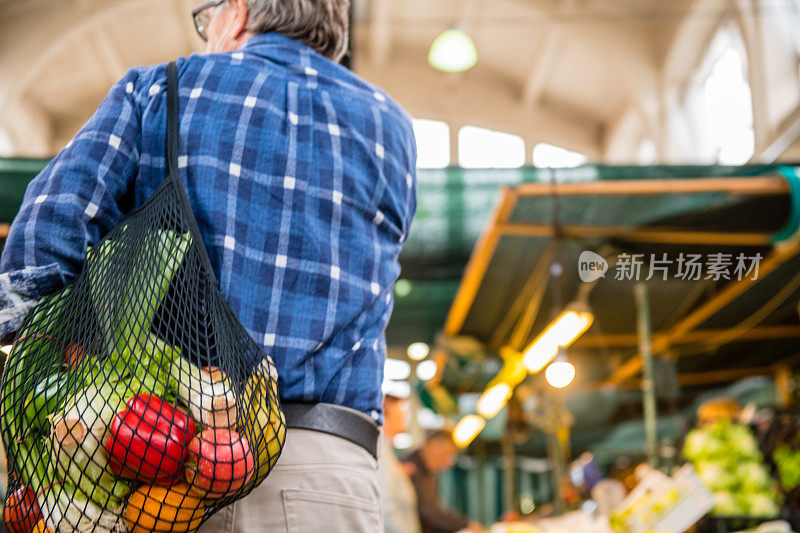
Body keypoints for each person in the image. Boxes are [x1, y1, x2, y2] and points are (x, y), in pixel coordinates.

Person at [0, 0, 416, 531]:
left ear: (237, 13)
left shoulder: (161, 88)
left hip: (160, 464)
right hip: (331, 475)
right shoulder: (392, 128)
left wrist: (51, 368)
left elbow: (45, 239)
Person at [405, 431, 486, 533]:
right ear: (434, 446)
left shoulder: (427, 471)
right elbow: (429, 511)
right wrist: (466, 524)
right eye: (448, 455)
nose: (449, 463)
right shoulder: (411, 468)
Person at [379, 394, 422, 533]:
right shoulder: (381, 452)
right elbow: (386, 507)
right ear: (386, 412)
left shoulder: (387, 451)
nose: (405, 416)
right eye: (401, 411)